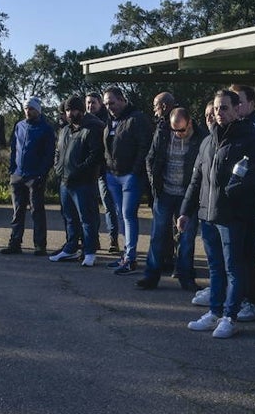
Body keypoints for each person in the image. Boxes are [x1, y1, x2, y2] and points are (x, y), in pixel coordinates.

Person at [178, 90, 255, 338]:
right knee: (215, 266)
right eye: (217, 108)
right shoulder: (207, 142)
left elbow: (254, 175)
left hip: (232, 216)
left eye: (225, 108)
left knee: (233, 268)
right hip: (207, 216)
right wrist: (186, 211)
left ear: (238, 109)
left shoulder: (250, 138)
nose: (219, 113)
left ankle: (230, 316)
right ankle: (214, 312)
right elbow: (196, 180)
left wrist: (231, 192)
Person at [139, 106, 202, 290]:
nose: (178, 133)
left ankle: (186, 277)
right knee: (157, 236)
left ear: (189, 123)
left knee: (186, 238)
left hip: (187, 195)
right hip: (164, 192)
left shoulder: (200, 137)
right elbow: (150, 158)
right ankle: (151, 276)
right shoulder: (163, 133)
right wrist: (154, 183)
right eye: (174, 129)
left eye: (181, 130)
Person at [229, 83, 255, 322]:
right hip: (233, 203)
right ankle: (238, 296)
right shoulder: (237, 127)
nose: (234, 105)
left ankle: (251, 301)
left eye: (239, 101)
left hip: (248, 202)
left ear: (252, 104)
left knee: (248, 254)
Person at [102, 87, 154, 274]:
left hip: (131, 176)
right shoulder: (111, 120)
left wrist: (134, 171)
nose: (109, 107)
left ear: (122, 100)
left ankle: (131, 259)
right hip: (113, 175)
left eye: (112, 103)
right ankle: (125, 255)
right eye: (106, 104)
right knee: (120, 215)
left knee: (128, 215)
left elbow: (144, 146)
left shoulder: (137, 119)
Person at [48, 95, 105, 266]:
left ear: (80, 110)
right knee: (69, 217)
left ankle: (90, 251)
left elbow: (95, 155)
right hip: (65, 182)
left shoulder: (93, 127)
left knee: (87, 218)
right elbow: (58, 151)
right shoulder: (65, 130)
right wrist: (58, 167)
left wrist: (79, 171)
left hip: (84, 183)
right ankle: (71, 248)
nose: (70, 113)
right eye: (67, 110)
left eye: (73, 110)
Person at [1, 97, 56, 256]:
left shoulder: (46, 129)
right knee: (17, 211)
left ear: (37, 110)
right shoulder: (19, 126)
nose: (28, 111)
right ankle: (15, 243)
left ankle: (40, 245)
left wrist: (41, 174)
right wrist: (12, 169)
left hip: (35, 176)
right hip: (18, 175)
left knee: (37, 211)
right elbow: (13, 147)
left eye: (31, 108)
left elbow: (49, 154)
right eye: (26, 108)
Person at [86, 92, 121, 254]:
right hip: (89, 170)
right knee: (90, 207)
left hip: (105, 170)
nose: (90, 106)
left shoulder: (107, 121)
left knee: (110, 206)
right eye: (87, 103)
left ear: (100, 104)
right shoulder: (84, 122)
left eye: (93, 102)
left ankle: (113, 239)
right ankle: (93, 240)